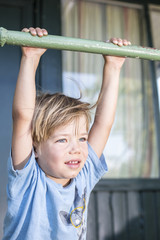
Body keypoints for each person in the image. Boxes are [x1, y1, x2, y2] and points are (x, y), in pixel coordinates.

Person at [2, 27, 131, 240]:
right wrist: (30, 58)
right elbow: (23, 118)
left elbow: (103, 124)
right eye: (62, 140)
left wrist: (114, 67)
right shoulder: (27, 180)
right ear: (35, 147)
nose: (77, 149)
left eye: (82, 138)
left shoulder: (83, 175)